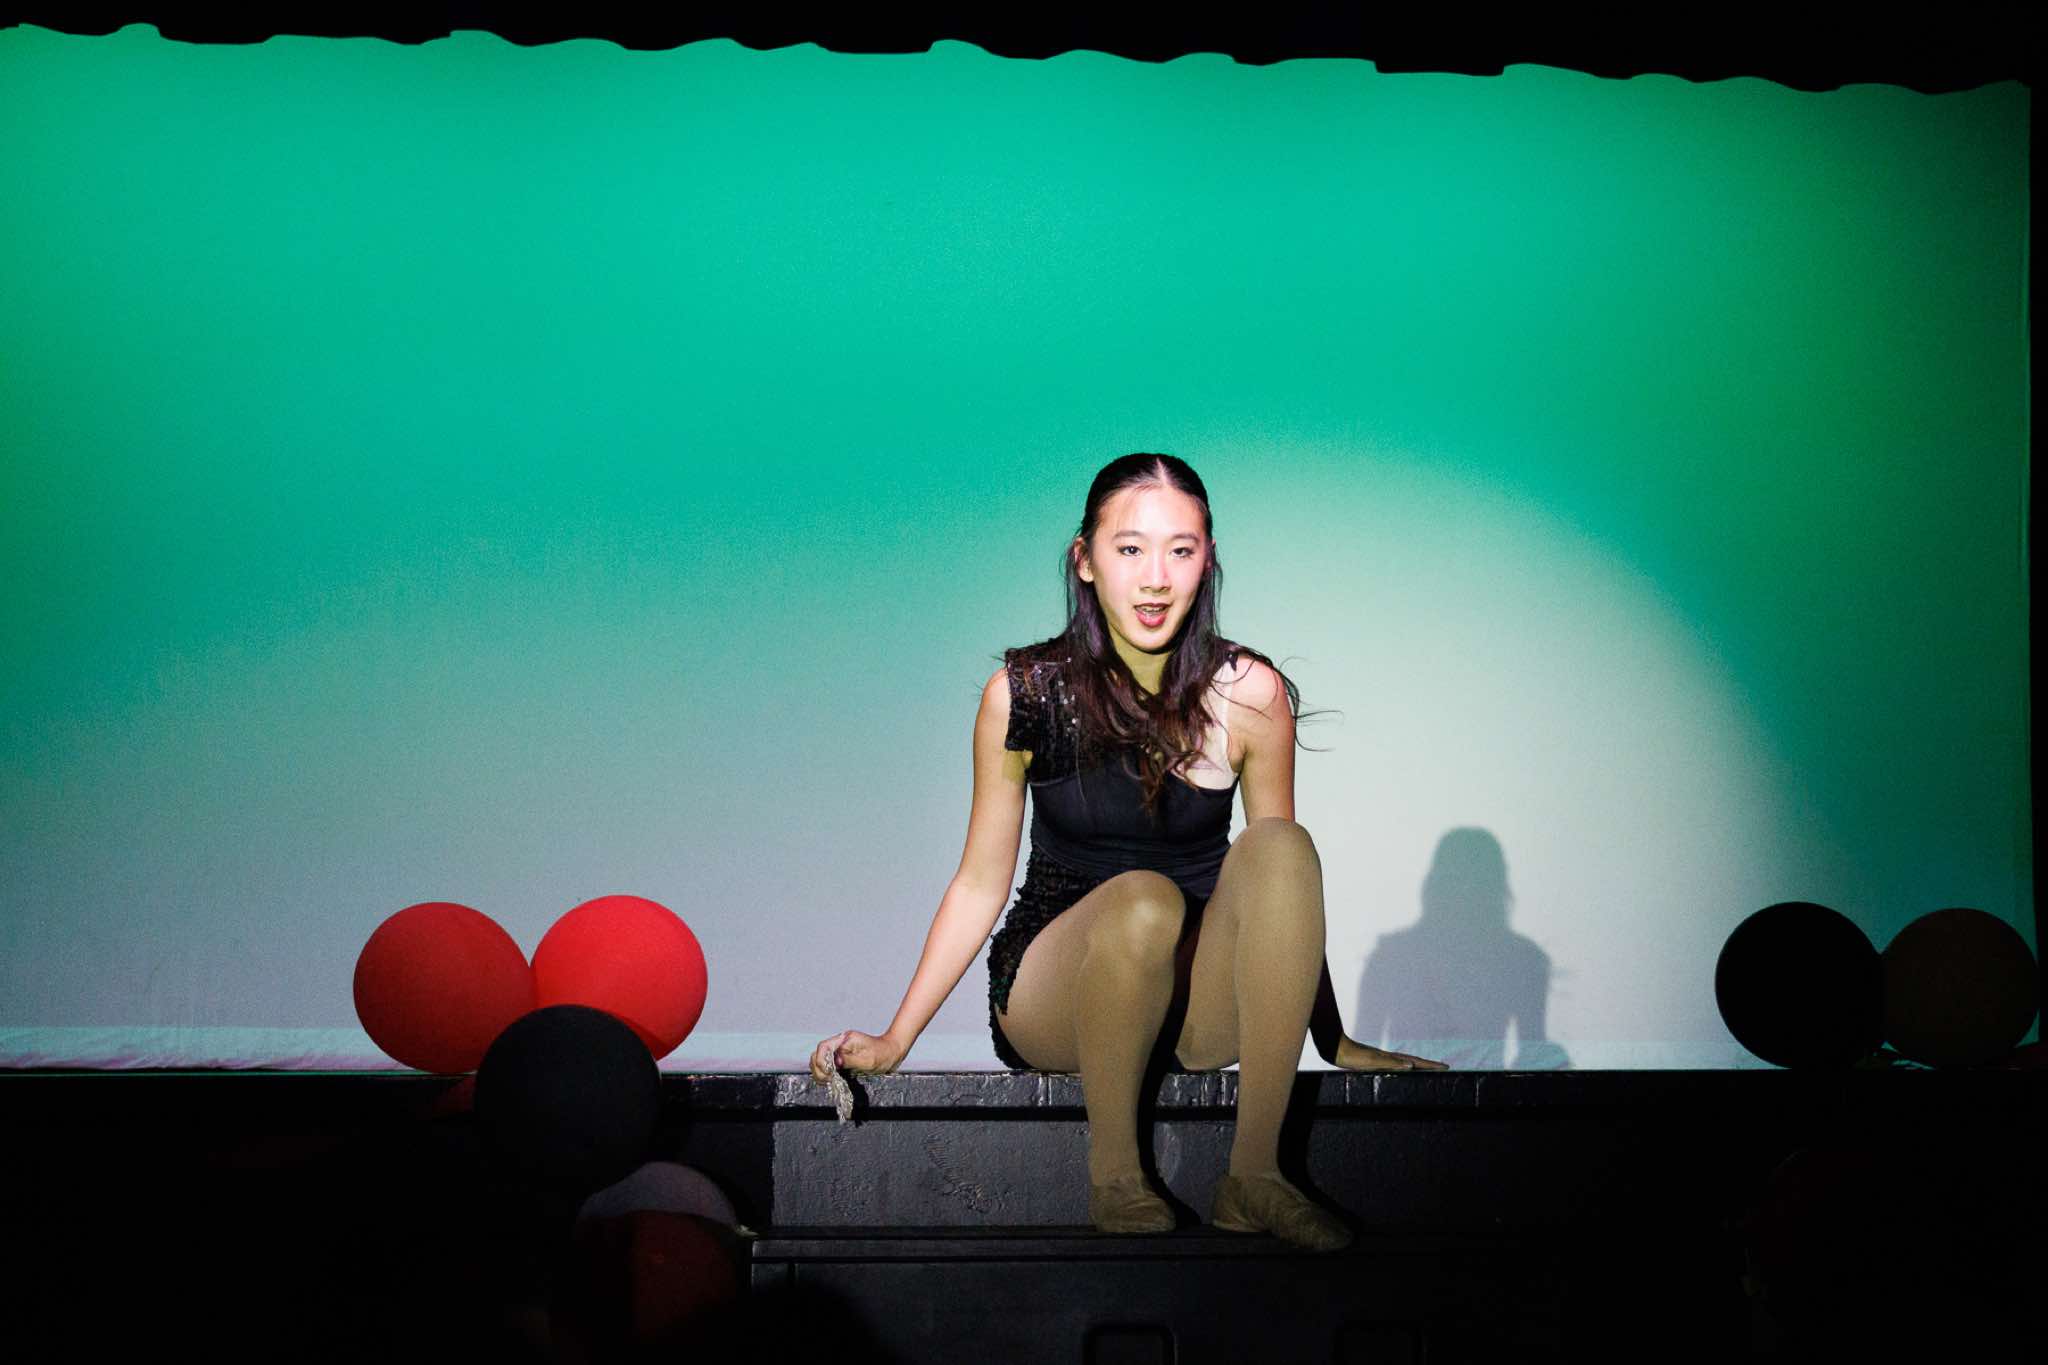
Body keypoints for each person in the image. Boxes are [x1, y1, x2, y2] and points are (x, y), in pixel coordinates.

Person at [810, 453, 1444, 1250]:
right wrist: (897, 1038)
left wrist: (1331, 1033)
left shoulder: (1251, 694)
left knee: (1283, 842)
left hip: (1193, 1004)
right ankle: (1116, 1175)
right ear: (1085, 559)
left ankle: (1255, 1175)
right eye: (1131, 549)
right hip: (1056, 993)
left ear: (1208, 560)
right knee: (1145, 898)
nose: (1156, 578)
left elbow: (1276, 890)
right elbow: (979, 883)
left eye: (1181, 550)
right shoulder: (1024, 693)